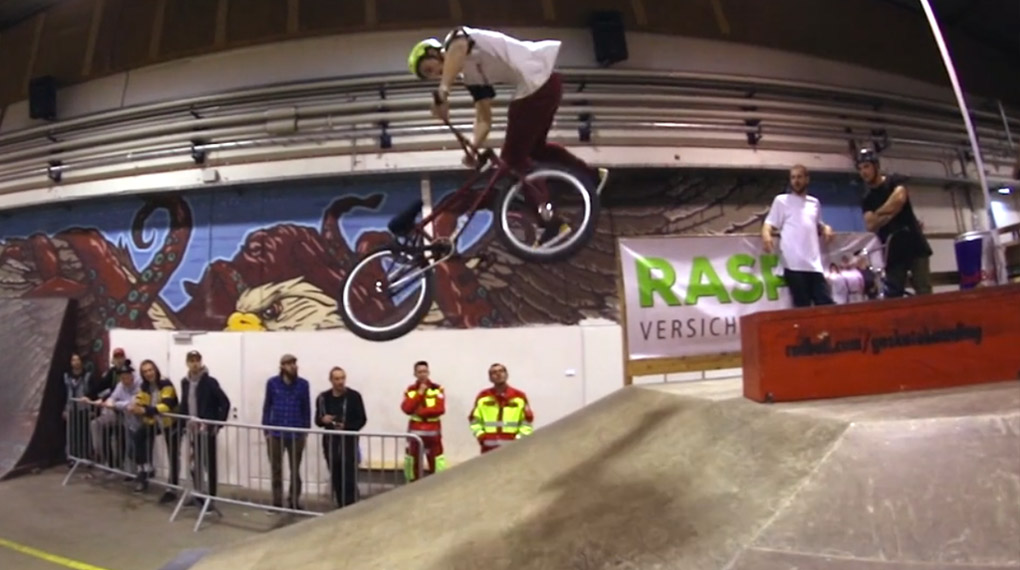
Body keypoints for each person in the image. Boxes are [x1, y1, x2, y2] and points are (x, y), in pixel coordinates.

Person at [407, 27, 609, 245]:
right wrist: (473, 148)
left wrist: (443, 93)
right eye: (429, 75)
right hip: (546, 84)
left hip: (537, 83)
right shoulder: (471, 77)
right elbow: (484, 118)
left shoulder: (458, 39)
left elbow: (457, 48)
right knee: (535, 149)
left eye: (430, 68)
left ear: (436, 52)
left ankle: (551, 222)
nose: (435, 74)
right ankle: (591, 176)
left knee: (513, 159)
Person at [856, 148, 933, 297]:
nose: (863, 172)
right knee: (893, 294)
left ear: (876, 166)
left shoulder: (894, 180)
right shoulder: (867, 198)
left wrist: (878, 213)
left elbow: (898, 200)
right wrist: (890, 211)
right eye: (860, 169)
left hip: (914, 243)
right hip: (892, 250)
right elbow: (870, 225)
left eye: (866, 166)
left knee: (924, 290)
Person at [762, 165, 835, 307]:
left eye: (799, 177)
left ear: (807, 179)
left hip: (814, 264)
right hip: (793, 264)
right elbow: (769, 223)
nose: (796, 181)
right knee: (802, 306)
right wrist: (766, 236)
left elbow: (818, 223)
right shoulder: (781, 201)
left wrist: (826, 227)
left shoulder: (814, 203)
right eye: (793, 177)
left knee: (825, 303)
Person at [178, 350, 231, 506]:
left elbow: (225, 403)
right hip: (192, 430)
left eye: (197, 360)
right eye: (191, 360)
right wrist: (181, 425)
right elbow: (184, 404)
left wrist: (218, 424)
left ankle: (211, 498)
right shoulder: (185, 382)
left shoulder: (210, 382)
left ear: (201, 362)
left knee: (209, 464)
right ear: (187, 363)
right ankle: (198, 493)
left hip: (207, 431)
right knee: (194, 464)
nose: (194, 363)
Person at [261, 353, 311, 511]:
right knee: (276, 469)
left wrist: (305, 429)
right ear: (282, 366)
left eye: (295, 363)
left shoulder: (303, 385)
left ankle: (294, 500)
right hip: (276, 433)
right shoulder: (272, 383)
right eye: (289, 364)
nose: (293, 366)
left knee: (295, 469)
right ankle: (276, 502)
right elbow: (267, 405)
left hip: (296, 433)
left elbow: (306, 408)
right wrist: (266, 429)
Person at [314, 366, 367, 509]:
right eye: (337, 379)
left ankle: (351, 506)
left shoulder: (354, 396)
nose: (340, 382)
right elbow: (317, 420)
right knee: (336, 476)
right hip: (331, 442)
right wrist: (323, 420)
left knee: (349, 476)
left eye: (342, 378)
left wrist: (347, 426)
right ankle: (340, 506)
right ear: (331, 380)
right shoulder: (323, 398)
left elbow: (361, 419)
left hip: (348, 441)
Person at [130, 359, 179, 496]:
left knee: (173, 455)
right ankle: (145, 469)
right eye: (145, 371)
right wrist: (135, 404)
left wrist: (145, 410)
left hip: (171, 422)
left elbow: (166, 405)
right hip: (154, 421)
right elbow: (139, 398)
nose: (148, 373)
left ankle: (172, 488)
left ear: (155, 370)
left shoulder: (166, 383)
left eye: (150, 370)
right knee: (138, 435)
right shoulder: (144, 386)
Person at [469, 363, 534, 454]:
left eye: (501, 371)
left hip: (513, 448)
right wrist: (481, 436)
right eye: (494, 372)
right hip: (488, 449)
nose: (498, 374)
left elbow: (527, 421)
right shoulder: (483, 397)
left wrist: (519, 439)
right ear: (490, 378)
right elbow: (474, 420)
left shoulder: (519, 396)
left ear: (507, 375)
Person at [400, 360, 446, 482]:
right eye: (419, 372)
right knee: (412, 465)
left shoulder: (437, 389)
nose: (423, 374)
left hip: (433, 436)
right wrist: (420, 393)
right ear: (415, 374)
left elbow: (440, 409)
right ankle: (411, 488)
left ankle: (439, 486)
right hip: (415, 436)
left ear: (428, 372)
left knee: (437, 465)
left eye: (425, 371)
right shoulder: (410, 390)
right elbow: (407, 409)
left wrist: (419, 412)